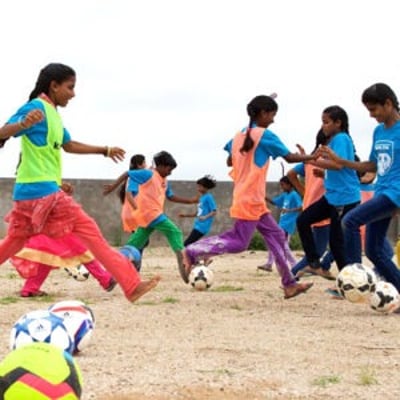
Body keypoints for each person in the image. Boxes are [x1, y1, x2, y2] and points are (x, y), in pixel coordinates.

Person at [0, 63, 160, 302]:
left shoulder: (53, 114)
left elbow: (69, 145)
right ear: (54, 86)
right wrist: (22, 125)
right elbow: (3, 132)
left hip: (27, 193)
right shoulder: (36, 107)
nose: (73, 94)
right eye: (70, 87)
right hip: (44, 192)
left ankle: (128, 283)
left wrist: (104, 150)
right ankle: (131, 284)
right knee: (90, 232)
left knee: (13, 242)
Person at [182, 94, 316, 299]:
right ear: (262, 113)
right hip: (250, 199)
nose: (273, 120)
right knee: (239, 242)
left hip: (250, 198)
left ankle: (289, 284)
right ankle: (193, 250)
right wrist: (313, 156)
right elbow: (289, 157)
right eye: (272, 114)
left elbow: (229, 161)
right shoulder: (263, 135)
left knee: (277, 236)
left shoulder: (239, 135)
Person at [320, 83, 400, 291]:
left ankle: (355, 274)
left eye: (374, 109)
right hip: (381, 191)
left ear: (388, 103)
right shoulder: (378, 131)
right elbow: (372, 165)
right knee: (373, 251)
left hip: (395, 193)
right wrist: (342, 161)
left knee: (350, 220)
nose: (371, 115)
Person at [296, 106, 361, 286]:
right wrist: (319, 169)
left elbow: (338, 165)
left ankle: (349, 284)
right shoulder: (333, 141)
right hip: (332, 197)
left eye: (326, 122)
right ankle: (314, 263)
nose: (322, 126)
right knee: (303, 220)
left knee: (337, 243)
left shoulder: (342, 138)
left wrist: (311, 159)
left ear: (338, 123)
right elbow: (335, 169)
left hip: (345, 198)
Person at [123, 151, 199, 281]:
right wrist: (136, 208)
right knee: (175, 232)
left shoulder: (164, 180)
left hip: (149, 215)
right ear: (160, 166)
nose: (170, 172)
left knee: (136, 242)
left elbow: (170, 196)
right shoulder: (148, 175)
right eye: (169, 169)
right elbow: (129, 189)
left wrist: (190, 201)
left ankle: (119, 261)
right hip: (150, 213)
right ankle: (181, 257)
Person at [287, 129, 335, 280]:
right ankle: (290, 277)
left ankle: (324, 267)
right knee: (317, 251)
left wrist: (304, 192)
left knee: (340, 240)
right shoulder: (327, 160)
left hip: (312, 204)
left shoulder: (311, 159)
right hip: (322, 207)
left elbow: (291, 174)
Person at [258, 176, 302, 272]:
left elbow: (301, 207)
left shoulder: (294, 195)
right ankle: (269, 264)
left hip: (288, 225)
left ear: (289, 184)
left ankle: (296, 266)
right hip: (282, 224)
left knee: (284, 247)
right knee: (273, 241)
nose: (281, 187)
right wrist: (262, 195)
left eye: (283, 185)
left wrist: (289, 210)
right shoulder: (285, 195)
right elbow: (274, 202)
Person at [179, 175, 217, 246]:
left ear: (206, 187)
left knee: (186, 244)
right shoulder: (201, 198)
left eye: (200, 186)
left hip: (203, 226)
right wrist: (185, 215)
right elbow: (197, 213)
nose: (198, 188)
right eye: (198, 186)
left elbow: (214, 211)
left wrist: (205, 217)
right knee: (190, 244)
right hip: (197, 225)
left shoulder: (209, 197)